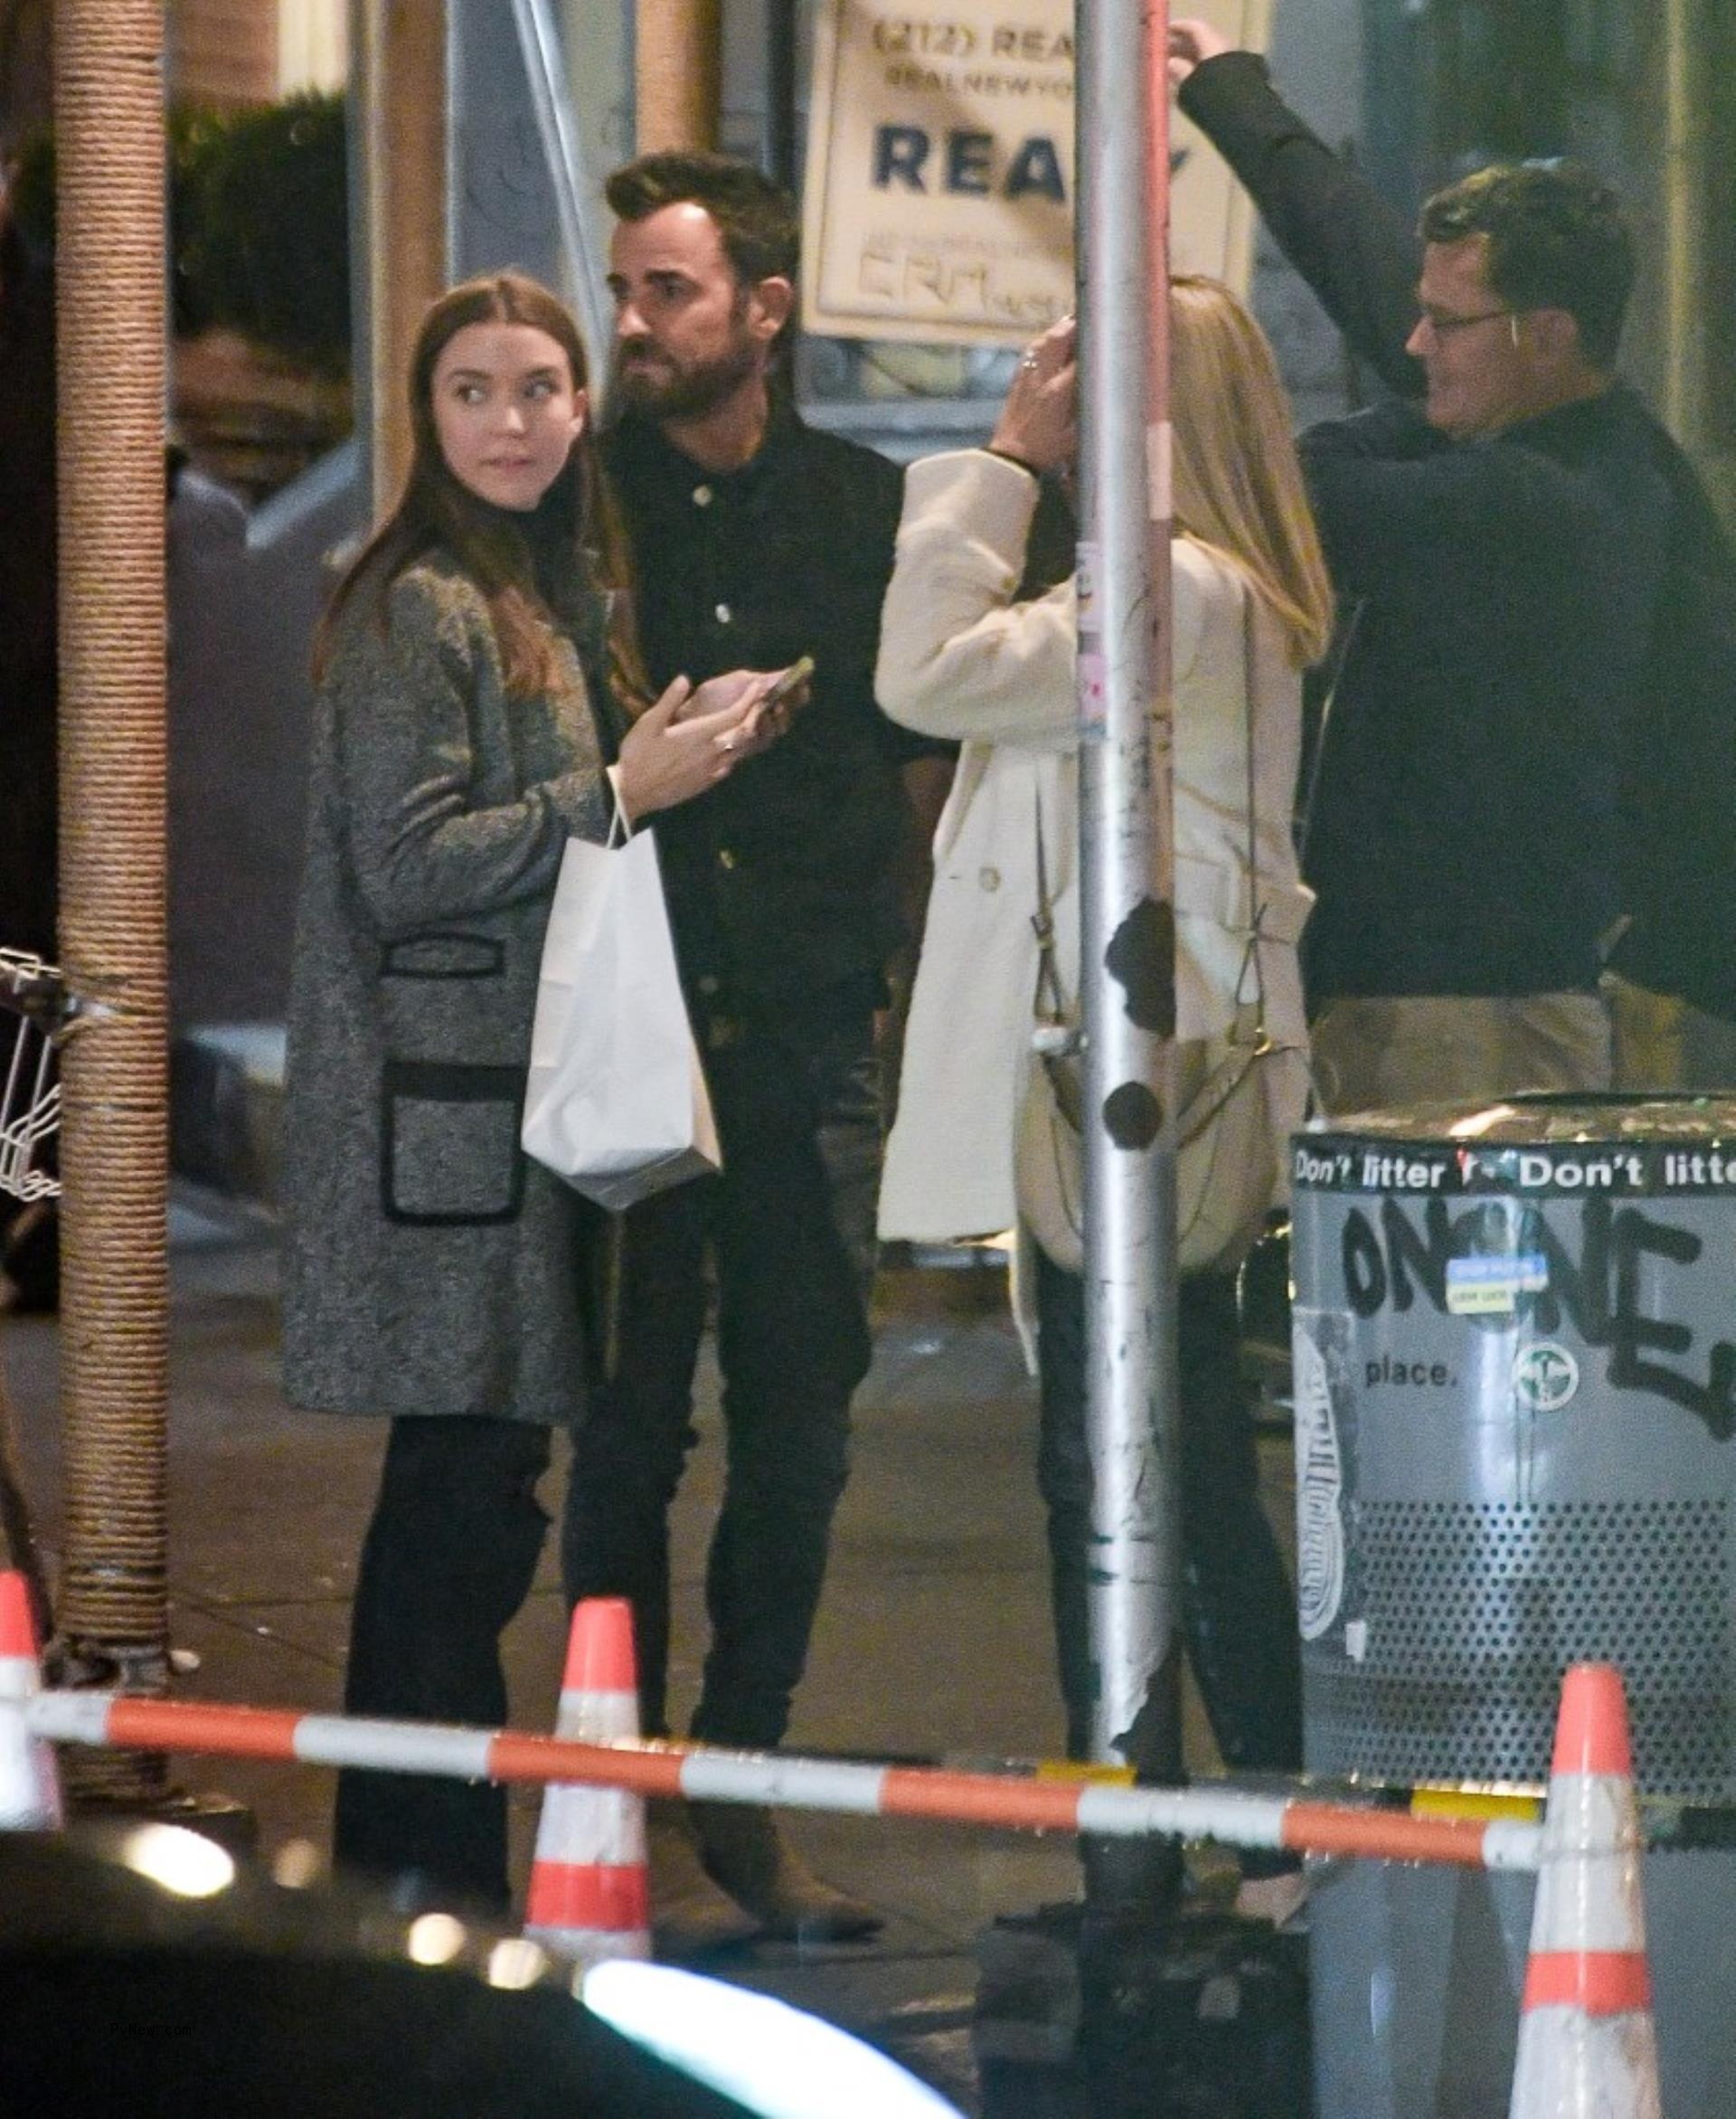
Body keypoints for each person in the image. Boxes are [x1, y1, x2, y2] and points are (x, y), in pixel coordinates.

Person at [279, 270, 788, 1910]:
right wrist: (621, 788)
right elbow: (408, 860)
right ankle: (410, 1882)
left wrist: (678, 743)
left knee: (480, 1488)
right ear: (425, 420)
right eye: (474, 392)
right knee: (457, 1495)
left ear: (585, 408)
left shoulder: (551, 590)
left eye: (540, 388)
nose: (512, 421)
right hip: (445, 1113)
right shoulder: (419, 601)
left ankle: (422, 1874)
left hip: (509, 1103)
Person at [875, 285, 1334, 1830]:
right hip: (1142, 1068)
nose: (1047, 387)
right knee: (1153, 1456)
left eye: (1078, 367)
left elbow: (923, 674)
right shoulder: (1198, 587)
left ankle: (1194, 1823)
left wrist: (999, 459)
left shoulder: (1171, 589)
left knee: (1139, 1469)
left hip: (1140, 1084)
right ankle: (1192, 1813)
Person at [571, 151, 923, 1944]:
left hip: (794, 1031)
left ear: (765, 311)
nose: (633, 322)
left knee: (800, 1425)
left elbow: (910, 754)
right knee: (626, 1436)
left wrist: (893, 977)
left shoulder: (863, 505)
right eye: (625, 290)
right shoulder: (587, 500)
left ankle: (750, 1790)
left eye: (671, 292)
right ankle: (611, 1804)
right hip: (630, 1026)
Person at [1166, 22, 1723, 1112]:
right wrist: (1234, 94)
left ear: (1546, 334)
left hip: (1469, 1016)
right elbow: (1366, 262)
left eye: (1445, 324)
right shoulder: (1548, 421)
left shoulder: (1550, 509)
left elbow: (1299, 490)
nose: (1413, 346)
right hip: (1424, 993)